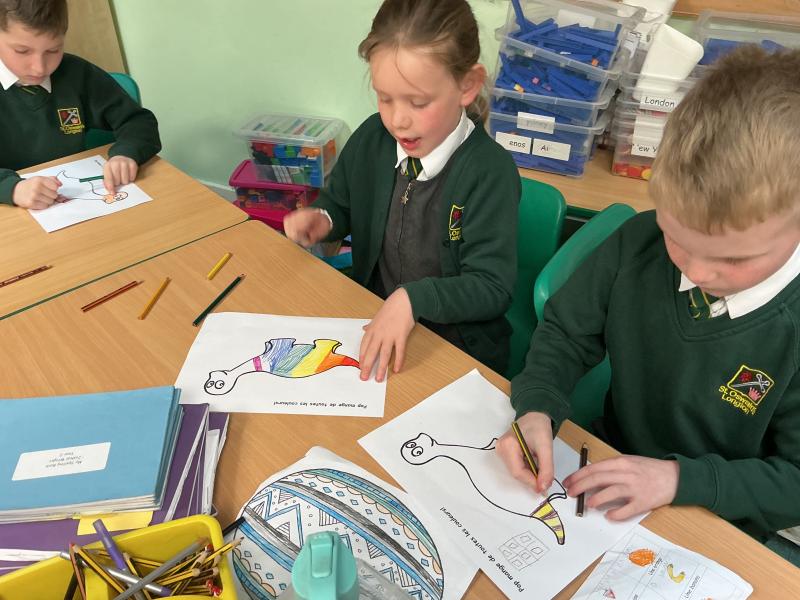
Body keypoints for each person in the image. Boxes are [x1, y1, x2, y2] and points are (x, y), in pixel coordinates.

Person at [497, 45, 800, 559]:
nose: (697, 272)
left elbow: (792, 483)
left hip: (720, 516)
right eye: (677, 238)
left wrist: (680, 480)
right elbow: (566, 332)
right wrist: (538, 406)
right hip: (610, 471)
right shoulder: (637, 244)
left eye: (733, 259)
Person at [283, 0, 520, 383]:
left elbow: (492, 287)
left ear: (467, 85)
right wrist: (323, 219)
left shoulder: (489, 172)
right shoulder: (371, 139)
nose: (397, 120)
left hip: (456, 348)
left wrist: (413, 298)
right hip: (375, 320)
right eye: (385, 98)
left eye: (418, 102)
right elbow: (341, 203)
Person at [0, 0, 161, 209]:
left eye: (53, 50)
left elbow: (138, 122)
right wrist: (12, 188)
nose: (39, 68)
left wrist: (126, 153)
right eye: (22, 51)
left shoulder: (77, 74)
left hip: (74, 203)